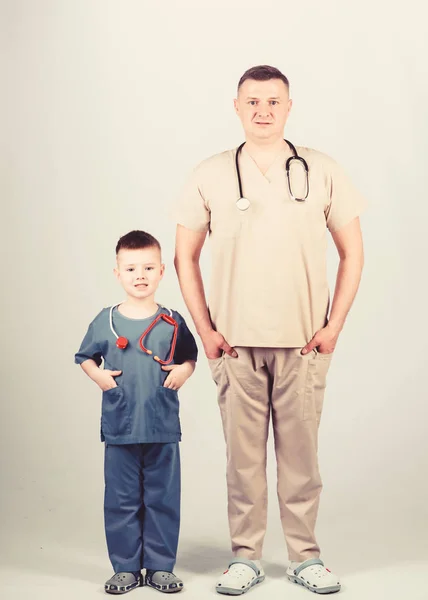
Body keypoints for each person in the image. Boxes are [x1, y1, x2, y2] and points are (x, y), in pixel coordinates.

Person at [173, 65, 366, 595]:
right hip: (233, 344)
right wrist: (206, 329)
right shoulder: (209, 173)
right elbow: (184, 256)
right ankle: (245, 557)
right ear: (236, 106)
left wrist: (334, 326)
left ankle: (306, 556)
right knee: (243, 461)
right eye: (252, 101)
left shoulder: (321, 170)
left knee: (301, 458)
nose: (263, 110)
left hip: (304, 342)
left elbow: (353, 253)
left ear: (288, 106)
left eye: (273, 101)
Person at [75, 230, 197, 594]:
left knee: (163, 498)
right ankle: (125, 568)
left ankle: (160, 567)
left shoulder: (173, 321)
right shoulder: (105, 320)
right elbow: (84, 358)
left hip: (161, 427)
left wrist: (182, 372)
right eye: (130, 268)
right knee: (121, 499)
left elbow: (189, 357)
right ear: (117, 273)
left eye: (147, 267)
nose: (139, 275)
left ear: (162, 271)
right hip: (121, 426)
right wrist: (101, 379)